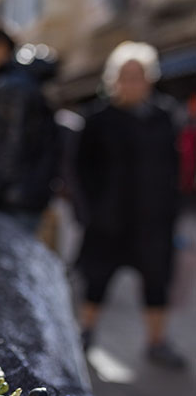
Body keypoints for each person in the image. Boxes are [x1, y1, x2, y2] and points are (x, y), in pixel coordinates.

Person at [75, 41, 185, 369]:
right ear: (114, 79)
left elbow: (175, 166)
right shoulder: (98, 119)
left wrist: (171, 208)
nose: (132, 81)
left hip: (153, 219)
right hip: (107, 219)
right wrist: (90, 211)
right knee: (96, 279)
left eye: (138, 75)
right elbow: (80, 168)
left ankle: (157, 341)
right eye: (125, 75)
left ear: (149, 79)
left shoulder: (165, 117)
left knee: (156, 282)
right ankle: (85, 333)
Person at [0, 27, 58, 231]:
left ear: (0, 48)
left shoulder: (14, 88)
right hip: (22, 198)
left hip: (12, 200)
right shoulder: (19, 84)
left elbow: (10, 149)